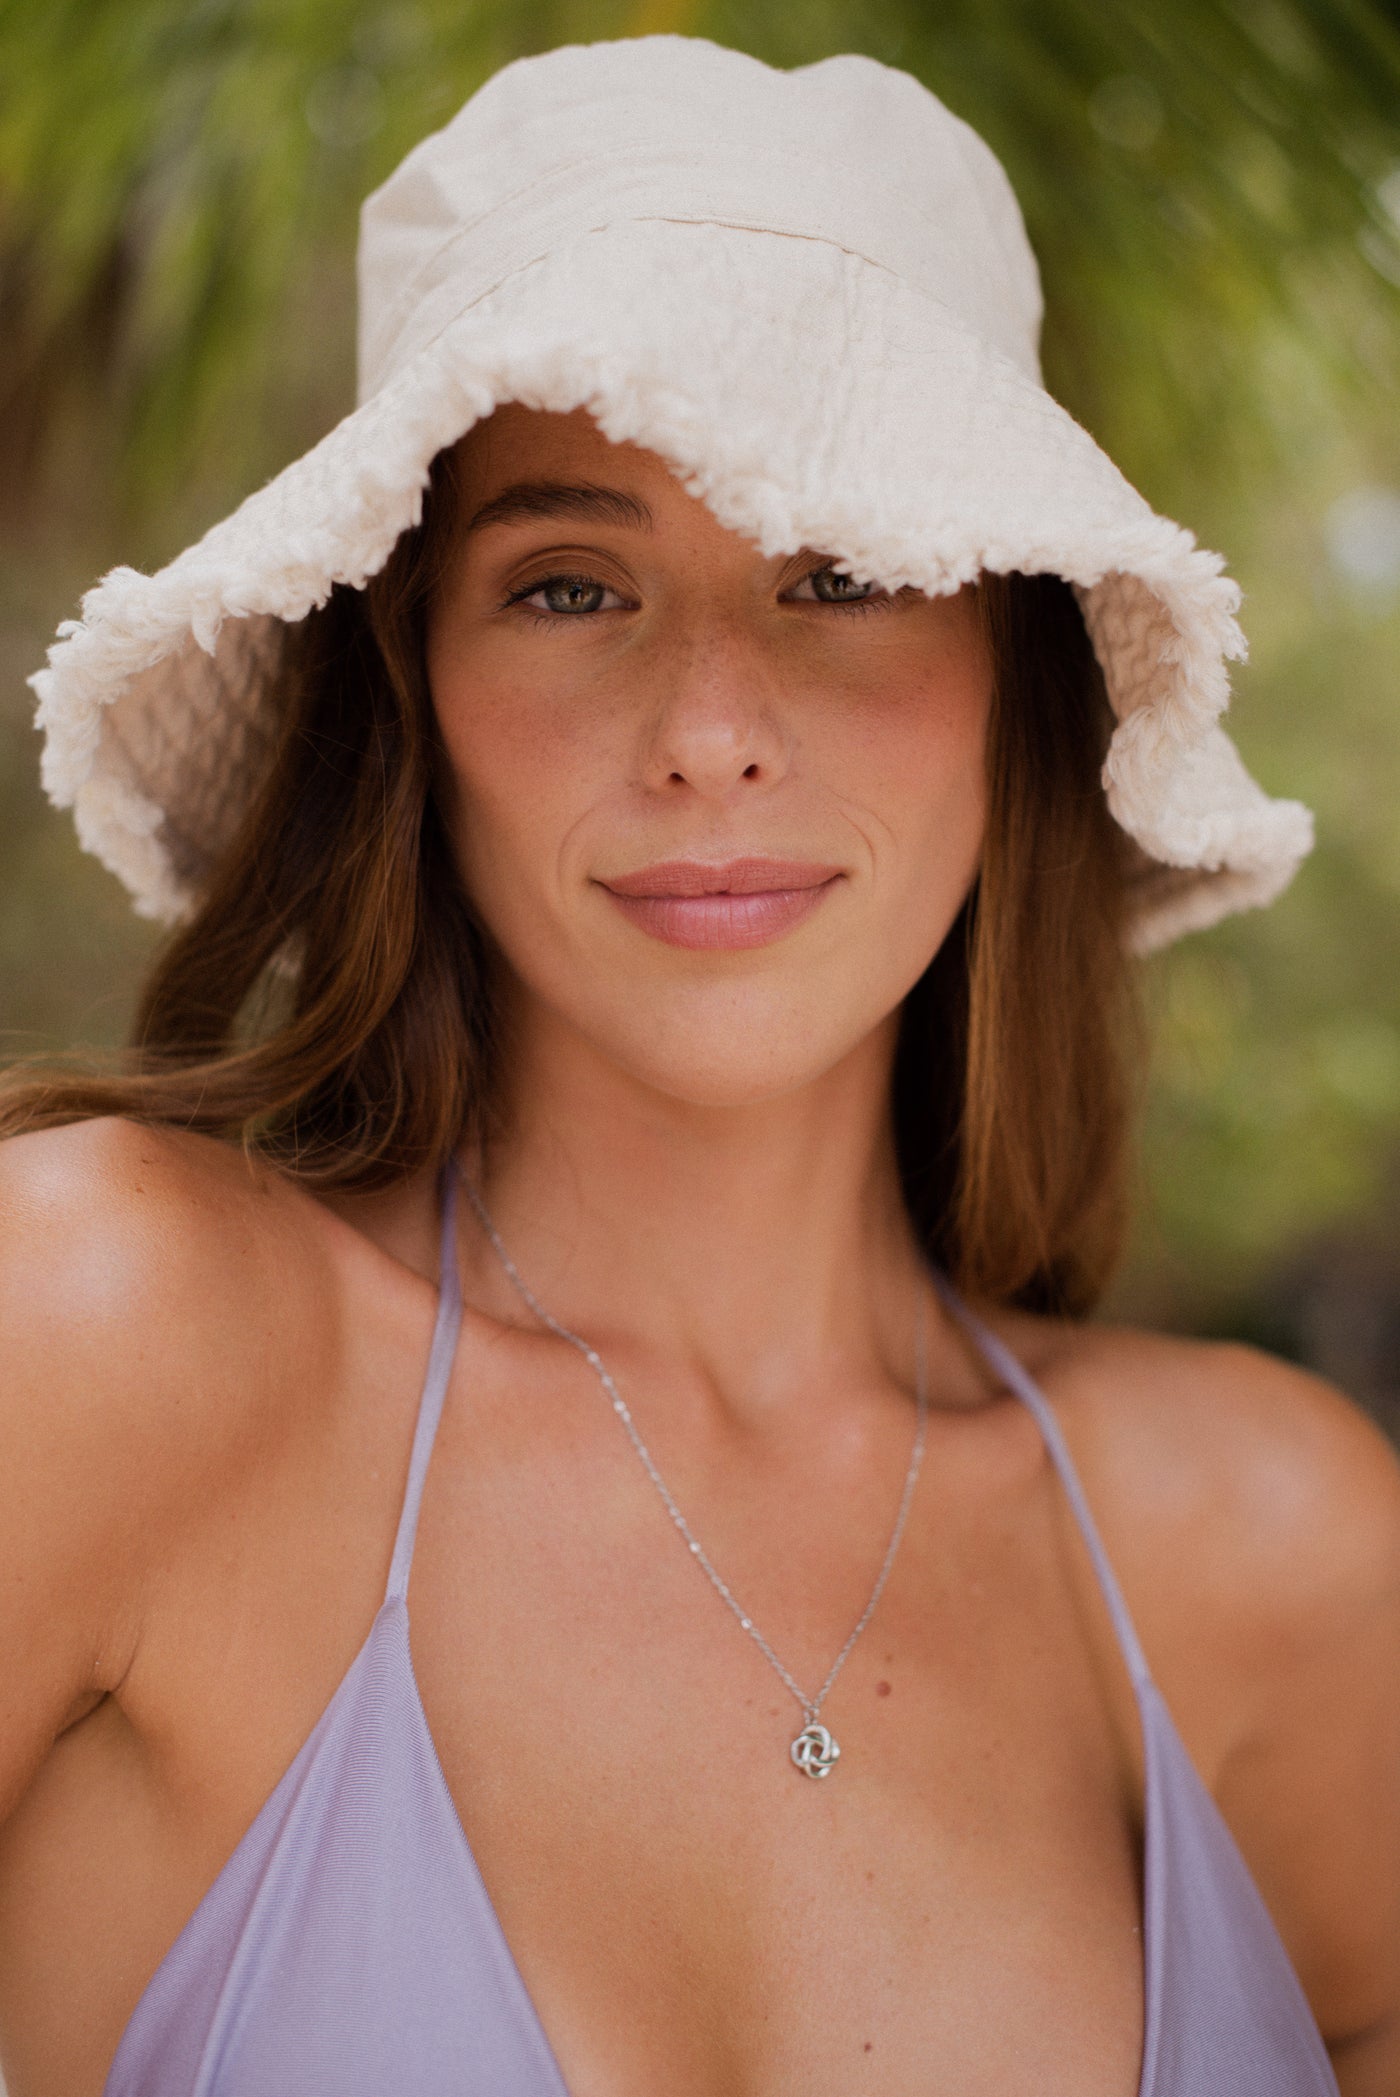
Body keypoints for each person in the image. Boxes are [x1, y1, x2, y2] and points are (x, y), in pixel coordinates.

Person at [1, 34, 1396, 2097]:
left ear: (1017, 682)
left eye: (840, 575)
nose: (712, 729)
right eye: (570, 584)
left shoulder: (1271, 1558)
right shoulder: (104, 1331)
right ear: (419, 693)